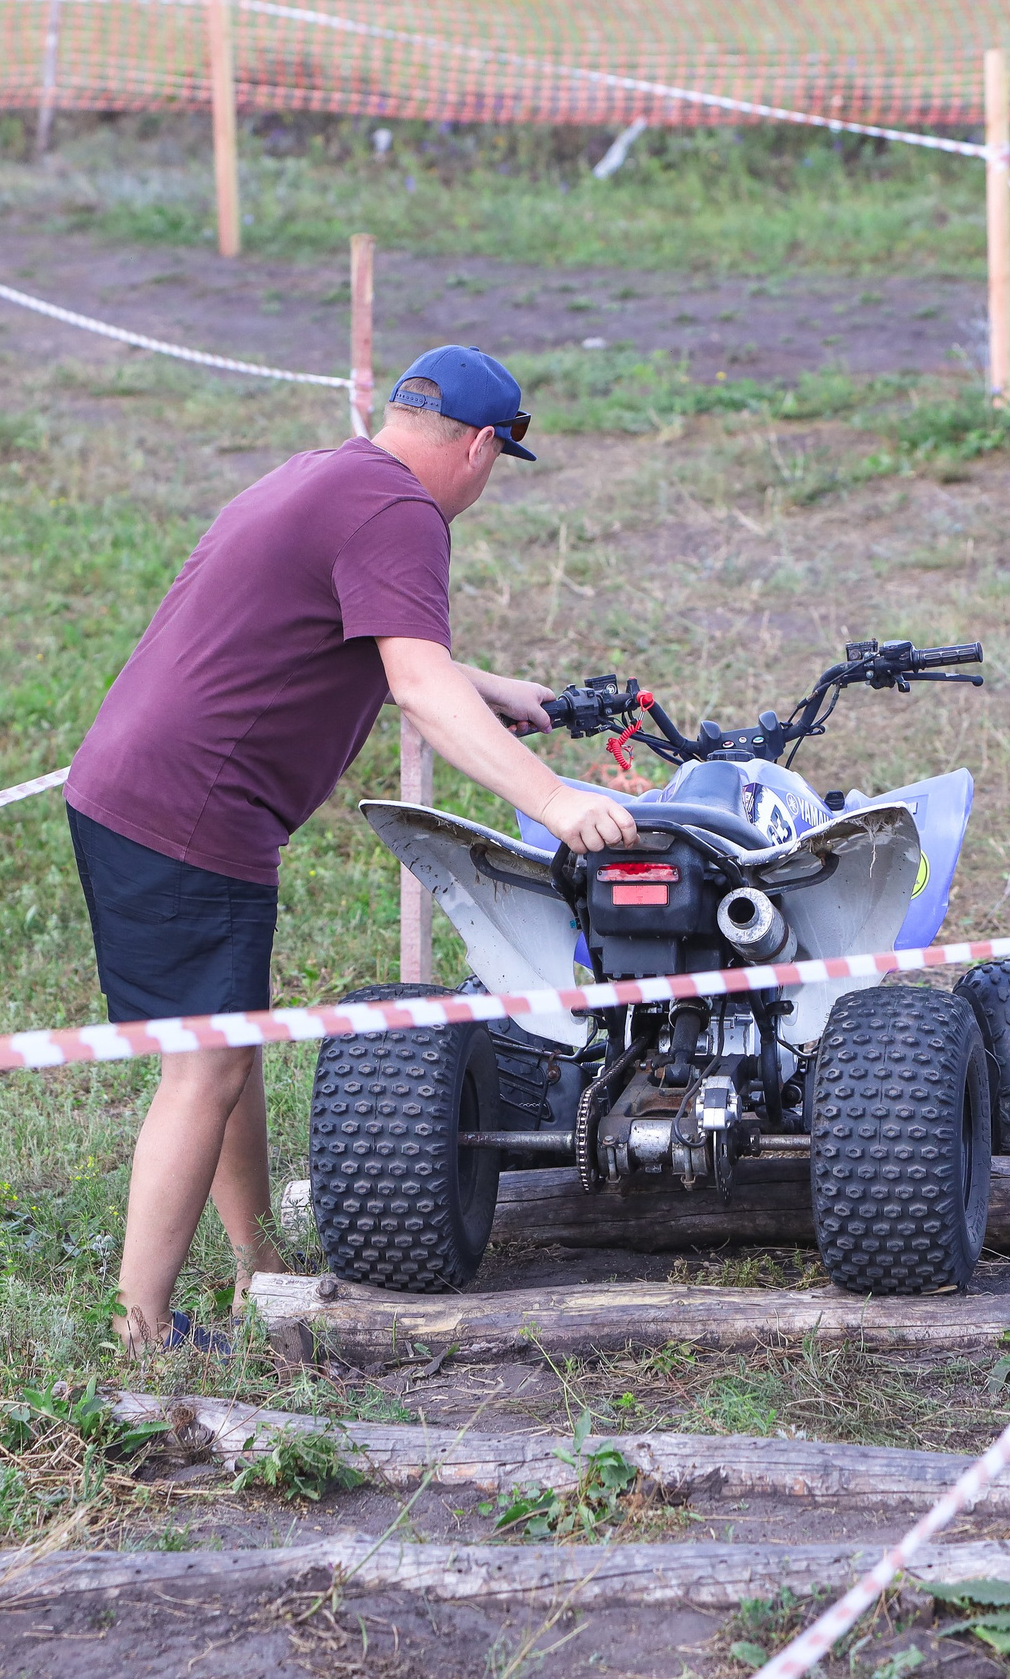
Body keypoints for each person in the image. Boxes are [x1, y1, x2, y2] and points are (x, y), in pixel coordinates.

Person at [63, 345, 638, 1349]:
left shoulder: (327, 472)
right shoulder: (400, 513)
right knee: (200, 1070)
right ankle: (140, 1331)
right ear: (479, 445)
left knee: (223, 1044)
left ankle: (255, 1273)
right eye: (496, 462)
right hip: (194, 811)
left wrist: (493, 689)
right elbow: (413, 683)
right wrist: (554, 803)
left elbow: (370, 640)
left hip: (131, 788)